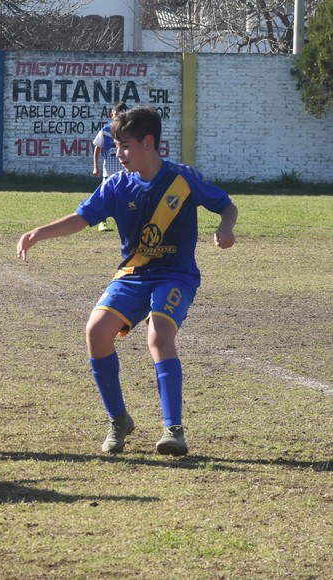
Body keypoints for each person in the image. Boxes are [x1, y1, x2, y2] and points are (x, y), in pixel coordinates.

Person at [17, 107, 237, 457]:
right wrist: (38, 233)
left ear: (149, 143)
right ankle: (119, 420)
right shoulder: (117, 185)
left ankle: (173, 430)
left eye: (123, 146)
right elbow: (81, 218)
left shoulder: (183, 179)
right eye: (115, 146)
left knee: (159, 335)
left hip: (175, 274)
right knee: (96, 331)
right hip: (133, 274)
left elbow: (226, 205)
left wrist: (225, 227)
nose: (116, 153)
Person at [92, 101, 129, 232]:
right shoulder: (106, 131)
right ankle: (102, 222)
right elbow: (97, 147)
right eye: (117, 114)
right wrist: (95, 167)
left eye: (124, 114)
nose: (120, 116)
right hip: (109, 168)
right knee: (105, 195)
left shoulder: (129, 131)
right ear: (111, 115)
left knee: (125, 196)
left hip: (125, 169)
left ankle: (125, 221)